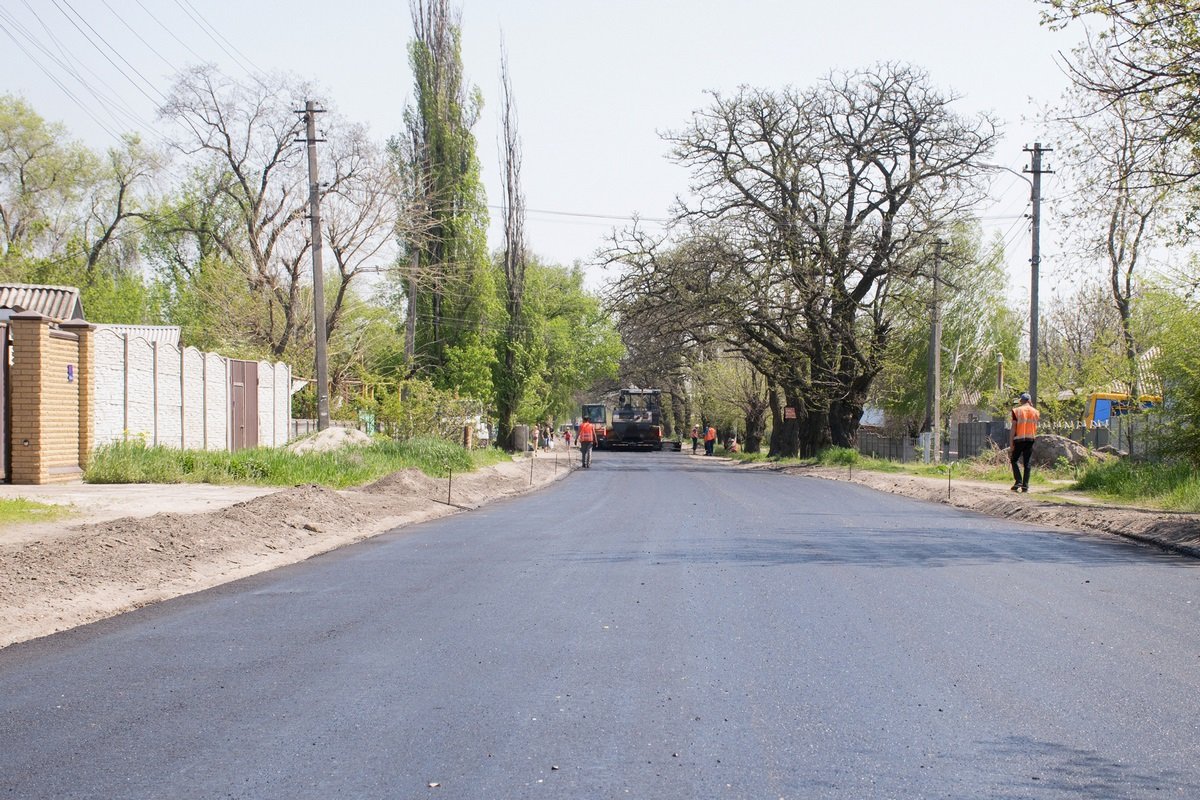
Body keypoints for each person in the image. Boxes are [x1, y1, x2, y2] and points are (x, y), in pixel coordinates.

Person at [1010, 391, 1040, 492]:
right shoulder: (1035, 412)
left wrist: (1011, 443)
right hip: (1030, 439)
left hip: (1019, 439)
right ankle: (1025, 486)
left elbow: (1013, 428)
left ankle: (1018, 481)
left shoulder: (1016, 411)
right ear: (1030, 401)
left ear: (1021, 401)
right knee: (1027, 463)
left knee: (1014, 460)